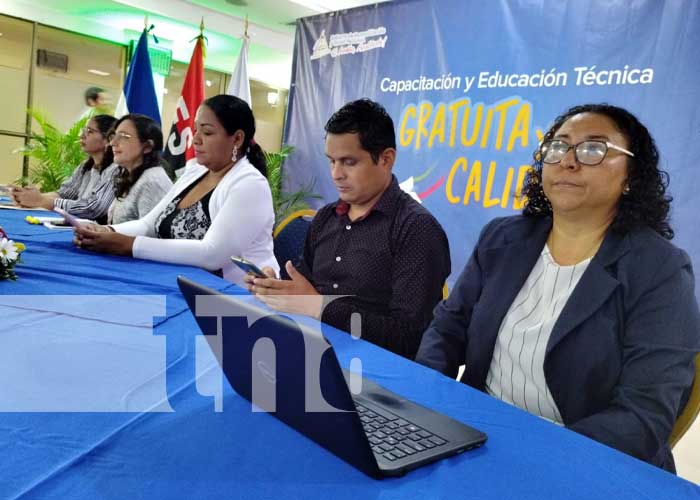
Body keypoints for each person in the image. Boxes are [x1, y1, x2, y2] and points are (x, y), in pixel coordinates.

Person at [415, 103, 700, 472]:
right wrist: (422, 398)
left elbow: (643, 416)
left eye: (594, 149)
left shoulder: (660, 268)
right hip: (478, 442)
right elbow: (447, 328)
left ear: (631, 176)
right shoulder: (502, 238)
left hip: (581, 463)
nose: (568, 160)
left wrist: (530, 453)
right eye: (557, 147)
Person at [246, 98, 450, 359]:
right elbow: (305, 285)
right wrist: (275, 286)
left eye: (349, 162)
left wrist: (319, 306)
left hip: (372, 373)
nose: (336, 174)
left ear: (386, 159)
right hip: (305, 348)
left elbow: (410, 338)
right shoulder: (325, 218)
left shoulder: (417, 230)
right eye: (332, 161)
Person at [73, 95, 278, 284]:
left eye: (206, 132)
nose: (195, 139)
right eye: (195, 130)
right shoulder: (195, 173)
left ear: (237, 139)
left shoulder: (250, 185)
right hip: (174, 282)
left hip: (229, 296)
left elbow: (212, 254)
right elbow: (148, 225)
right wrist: (106, 231)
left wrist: (129, 245)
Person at [11, 115, 118, 223]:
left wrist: (40, 201)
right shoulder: (85, 166)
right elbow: (64, 193)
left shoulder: (115, 169)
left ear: (108, 139)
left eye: (89, 131)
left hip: (97, 232)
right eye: (83, 130)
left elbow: (93, 208)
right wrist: (29, 197)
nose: (81, 135)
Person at [107, 114, 173, 224]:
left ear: (147, 146)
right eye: (114, 136)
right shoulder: (131, 175)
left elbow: (150, 236)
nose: (112, 143)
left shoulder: (152, 182)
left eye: (123, 136)